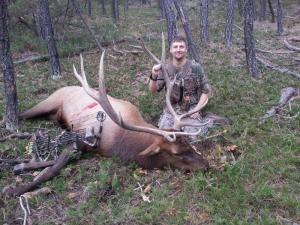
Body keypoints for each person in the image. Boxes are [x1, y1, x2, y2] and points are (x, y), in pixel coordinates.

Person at [148, 35, 212, 135]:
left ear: (186, 49)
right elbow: (153, 89)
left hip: (190, 112)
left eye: (181, 47)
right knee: (164, 137)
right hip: (171, 112)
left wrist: (196, 109)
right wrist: (154, 74)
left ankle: (206, 122)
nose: (178, 50)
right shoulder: (165, 68)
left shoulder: (196, 67)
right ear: (170, 50)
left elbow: (207, 91)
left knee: (192, 138)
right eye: (175, 47)